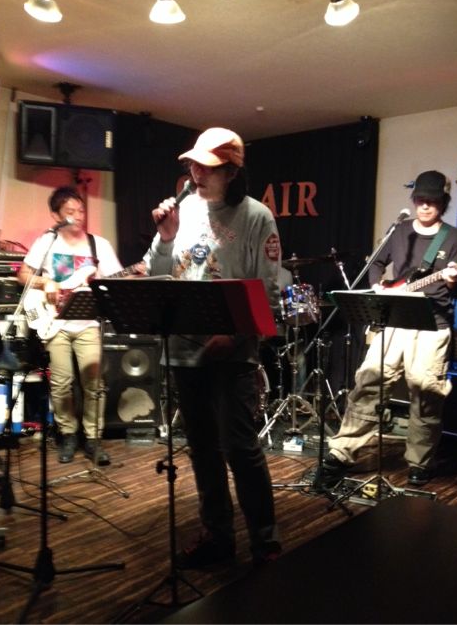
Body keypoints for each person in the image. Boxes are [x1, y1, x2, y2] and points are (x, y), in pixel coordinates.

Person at [142, 127, 282, 567]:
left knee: (240, 448)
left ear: (232, 171)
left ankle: (265, 542)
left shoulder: (256, 216)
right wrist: (166, 237)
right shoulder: (181, 210)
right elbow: (156, 273)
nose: (196, 173)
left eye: (207, 167)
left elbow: (268, 290)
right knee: (202, 449)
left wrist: (236, 334)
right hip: (185, 349)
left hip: (233, 353)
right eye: (192, 165)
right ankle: (218, 538)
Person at [317, 170, 457, 488]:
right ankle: (341, 454)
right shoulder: (399, 231)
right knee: (369, 384)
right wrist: (378, 287)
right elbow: (375, 263)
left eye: (432, 201)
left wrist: (454, 279)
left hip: (433, 326)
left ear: (442, 203)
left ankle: (419, 462)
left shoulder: (455, 238)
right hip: (395, 320)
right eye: (421, 200)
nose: (425, 206)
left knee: (426, 393)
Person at [18, 186, 124, 465]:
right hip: (55, 322)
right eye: (70, 212)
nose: (78, 216)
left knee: (94, 384)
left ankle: (93, 439)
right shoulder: (47, 242)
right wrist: (46, 282)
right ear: (56, 216)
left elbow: (117, 279)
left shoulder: (98, 245)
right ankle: (67, 435)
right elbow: (23, 274)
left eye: (81, 210)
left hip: (87, 322)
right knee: (61, 383)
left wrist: (131, 276)